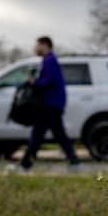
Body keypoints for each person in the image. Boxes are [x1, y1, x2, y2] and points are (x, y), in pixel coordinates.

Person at [18, 36, 81, 171]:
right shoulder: (48, 60)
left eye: (37, 45)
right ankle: (75, 162)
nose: (35, 48)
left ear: (45, 45)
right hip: (54, 103)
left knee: (37, 134)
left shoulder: (49, 60)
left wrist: (33, 81)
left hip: (50, 104)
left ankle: (25, 165)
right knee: (59, 134)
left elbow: (48, 80)